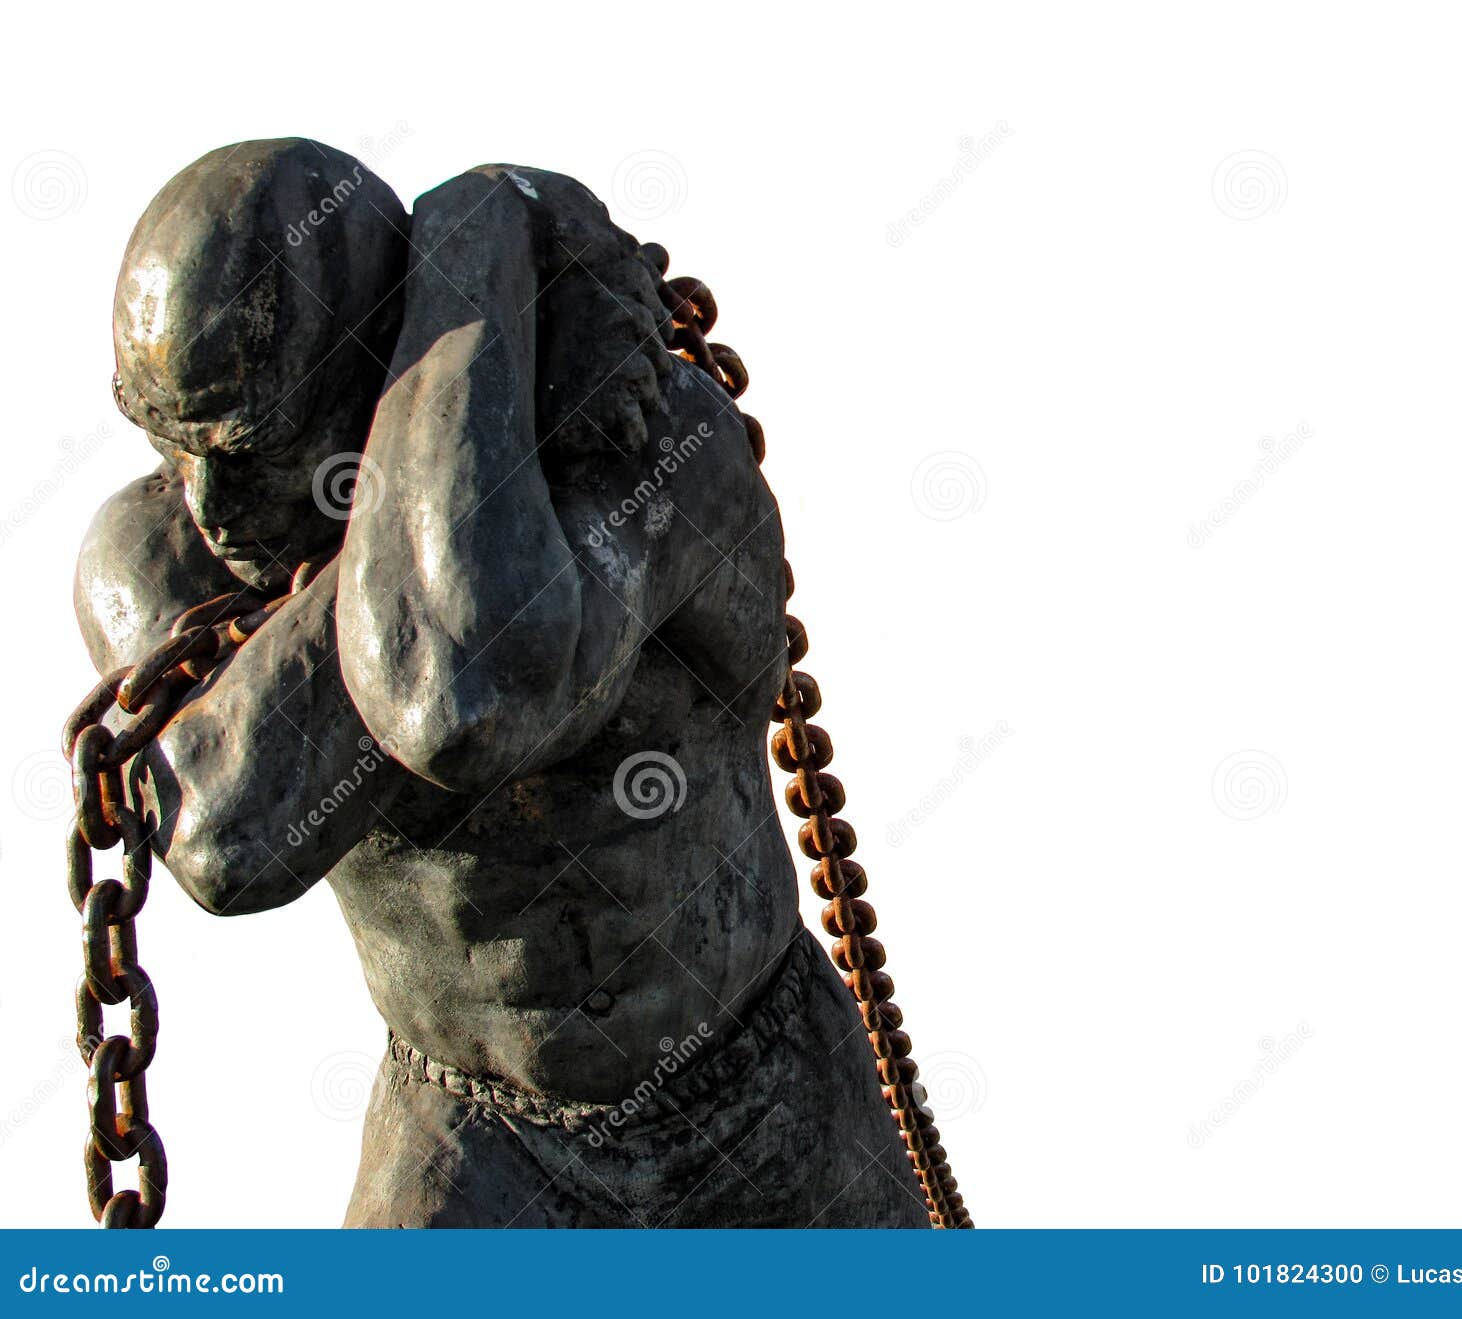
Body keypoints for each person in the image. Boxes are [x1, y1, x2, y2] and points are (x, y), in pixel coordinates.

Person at [76, 138, 928, 1227]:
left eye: (253, 442)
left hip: (757, 1092)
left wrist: (475, 257)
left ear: (388, 367)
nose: (209, 503)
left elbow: (469, 689)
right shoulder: (157, 560)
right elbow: (228, 836)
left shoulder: (653, 456)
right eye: (168, 438)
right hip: (470, 1133)